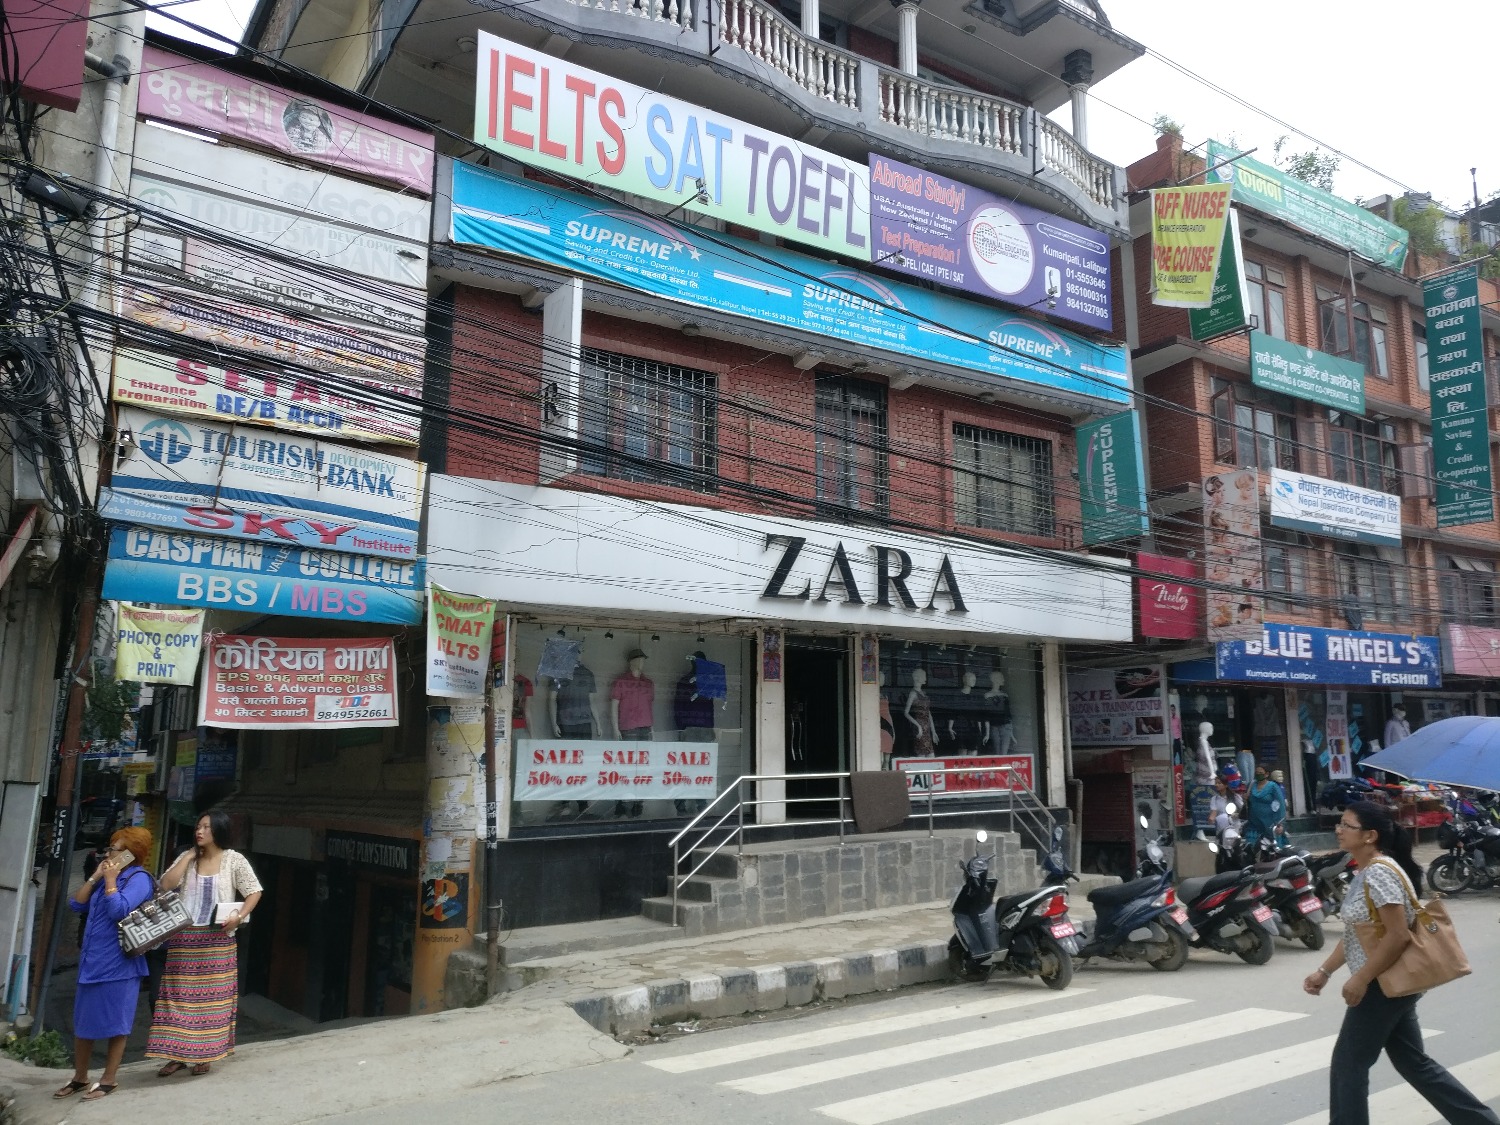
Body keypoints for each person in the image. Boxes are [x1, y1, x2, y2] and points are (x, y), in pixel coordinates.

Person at [1303, 800, 1498, 1125]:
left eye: (1347, 825)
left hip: (1381, 984)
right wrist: (1325, 971)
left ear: (1370, 836)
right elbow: (1357, 934)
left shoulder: (1379, 873)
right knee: (1413, 1062)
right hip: (1391, 982)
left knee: (1348, 1065)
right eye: (1340, 823)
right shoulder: (1367, 871)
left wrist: (1361, 978)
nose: (1339, 830)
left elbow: (1397, 936)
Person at [146, 811, 263, 1077]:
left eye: (207, 827)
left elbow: (254, 891)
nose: (199, 831)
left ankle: (204, 1054)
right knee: (177, 999)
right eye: (198, 826)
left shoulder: (233, 859)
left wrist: (239, 916)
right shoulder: (188, 859)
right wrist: (187, 857)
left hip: (218, 939)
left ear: (219, 830)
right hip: (184, 938)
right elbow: (165, 885)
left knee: (212, 1001)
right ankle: (177, 1056)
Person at [55, 827, 154, 1101]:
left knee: (116, 1023)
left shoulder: (139, 879)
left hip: (120, 964)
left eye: (115, 849)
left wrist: (110, 881)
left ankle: (109, 1079)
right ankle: (80, 1077)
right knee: (83, 1022)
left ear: (131, 854)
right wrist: (96, 876)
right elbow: (77, 904)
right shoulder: (106, 877)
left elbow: (118, 910)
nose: (109, 853)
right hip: (92, 961)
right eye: (110, 848)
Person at [1244, 765, 1288, 847]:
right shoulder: (1251, 785)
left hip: (1270, 824)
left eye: (1260, 773)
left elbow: (1280, 805)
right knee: (1252, 847)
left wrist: (1280, 824)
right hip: (1254, 824)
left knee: (1272, 849)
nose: (1258, 775)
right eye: (1256, 773)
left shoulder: (1273, 787)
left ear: (1267, 774)